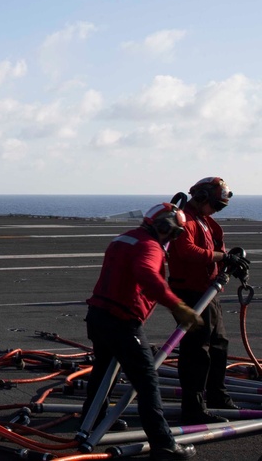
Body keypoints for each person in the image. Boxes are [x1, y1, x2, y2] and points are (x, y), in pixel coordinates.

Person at [83, 203, 200, 461]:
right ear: (164, 227)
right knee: (147, 382)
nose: (173, 239)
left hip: (98, 315)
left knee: (104, 370)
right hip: (122, 321)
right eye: (175, 233)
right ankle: (164, 444)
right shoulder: (149, 246)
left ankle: (93, 420)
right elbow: (146, 273)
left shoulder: (125, 237)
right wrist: (177, 305)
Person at [169, 177, 245, 424]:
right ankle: (193, 407)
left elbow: (214, 251)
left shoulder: (204, 221)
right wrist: (220, 256)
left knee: (218, 344)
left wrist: (229, 261)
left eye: (220, 207)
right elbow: (186, 251)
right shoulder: (185, 220)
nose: (216, 210)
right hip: (191, 293)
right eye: (216, 205)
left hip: (208, 292)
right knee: (196, 351)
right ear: (201, 197)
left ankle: (216, 395)